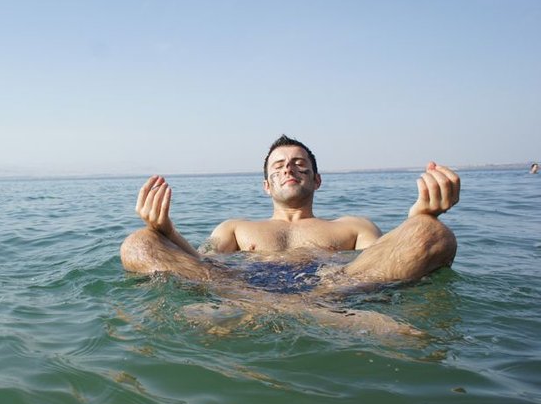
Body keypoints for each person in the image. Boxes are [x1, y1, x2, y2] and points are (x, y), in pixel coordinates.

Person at [119, 135, 460, 334]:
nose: (289, 168)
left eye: (299, 164)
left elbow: (382, 261)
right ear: (267, 186)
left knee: (432, 231)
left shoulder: (354, 226)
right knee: (140, 241)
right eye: (279, 165)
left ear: (317, 179)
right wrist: (167, 231)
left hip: (333, 289)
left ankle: (270, 310)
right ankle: (307, 313)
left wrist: (420, 218)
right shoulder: (235, 228)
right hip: (246, 287)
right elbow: (200, 262)